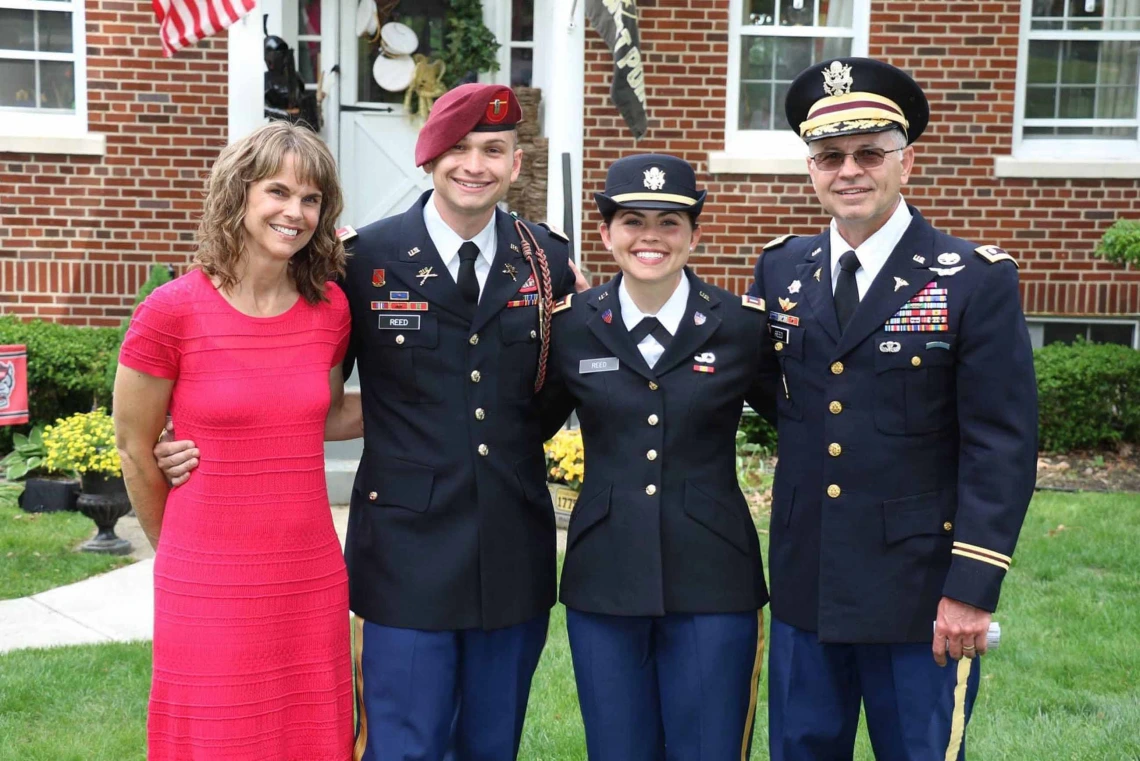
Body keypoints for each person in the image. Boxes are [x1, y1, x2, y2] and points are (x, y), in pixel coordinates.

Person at [155, 84, 580, 761]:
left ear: (516, 164)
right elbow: (289, 375)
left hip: (512, 546)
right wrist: (187, 432)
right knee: (402, 746)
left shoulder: (547, 263)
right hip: (406, 552)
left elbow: (555, 390)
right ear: (429, 156)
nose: (475, 165)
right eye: (458, 149)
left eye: (493, 150)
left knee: (493, 743)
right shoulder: (360, 262)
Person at [748, 57, 1038, 760]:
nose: (849, 170)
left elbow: (1001, 445)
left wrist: (972, 587)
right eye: (830, 156)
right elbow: (764, 392)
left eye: (869, 153)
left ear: (905, 163)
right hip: (804, 585)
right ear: (811, 170)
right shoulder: (782, 270)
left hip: (919, 596)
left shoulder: (972, 281)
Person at [113, 121, 360, 760]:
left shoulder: (329, 308)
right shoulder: (171, 311)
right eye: (278, 191)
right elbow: (137, 449)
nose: (295, 212)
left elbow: (322, 415)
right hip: (207, 573)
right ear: (239, 195)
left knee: (310, 736)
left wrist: (452, 405)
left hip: (308, 570)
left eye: (311, 200)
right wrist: (176, 551)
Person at [539, 154, 772, 760]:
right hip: (604, 579)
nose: (650, 237)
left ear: (694, 232)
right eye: (633, 220)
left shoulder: (741, 328)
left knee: (709, 750)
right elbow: (522, 424)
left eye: (669, 222)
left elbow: (801, 421)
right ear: (606, 233)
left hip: (714, 581)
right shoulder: (570, 327)